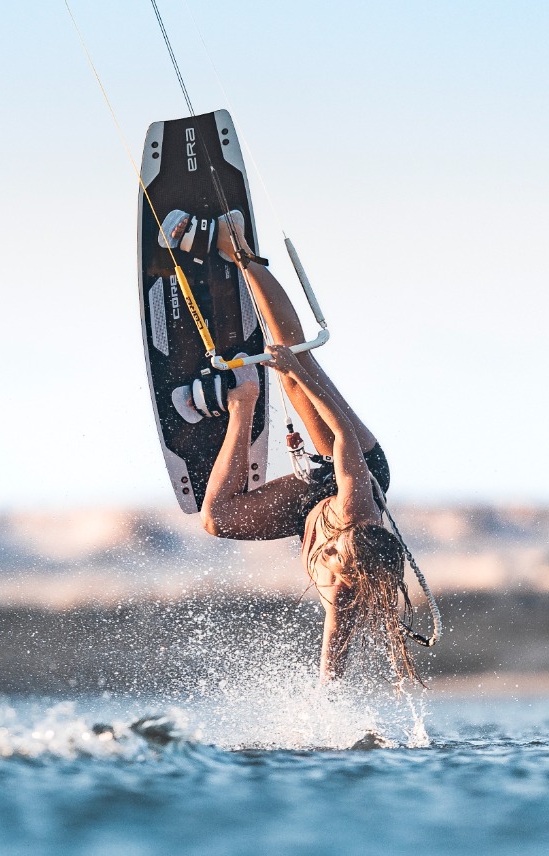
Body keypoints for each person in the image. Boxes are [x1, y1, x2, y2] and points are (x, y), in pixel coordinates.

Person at [161, 210, 418, 684]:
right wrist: (299, 374)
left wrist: (324, 715)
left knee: (217, 521)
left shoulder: (345, 592)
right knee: (294, 359)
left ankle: (243, 400)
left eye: (340, 576)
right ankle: (234, 245)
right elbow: (341, 436)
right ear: (346, 537)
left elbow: (331, 665)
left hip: (307, 508)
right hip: (351, 465)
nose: (334, 575)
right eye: (338, 560)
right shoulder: (356, 504)